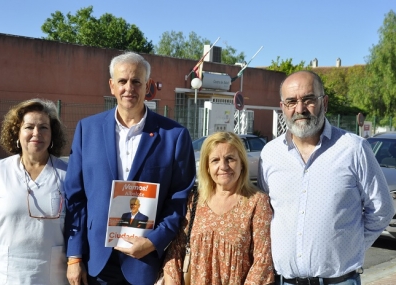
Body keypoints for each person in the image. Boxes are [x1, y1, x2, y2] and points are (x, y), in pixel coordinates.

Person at [64, 51, 196, 285]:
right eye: (122, 81)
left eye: (137, 81)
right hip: (97, 261)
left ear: (148, 86)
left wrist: (154, 240)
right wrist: (74, 257)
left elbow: (179, 199)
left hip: (145, 261)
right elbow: (76, 197)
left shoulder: (174, 136)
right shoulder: (87, 130)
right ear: (112, 86)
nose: (129, 88)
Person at [258, 70, 395, 285]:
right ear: (282, 107)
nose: (300, 109)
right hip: (283, 281)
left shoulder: (353, 148)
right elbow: (268, 212)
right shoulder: (269, 154)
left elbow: (382, 210)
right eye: (291, 101)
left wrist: (350, 247)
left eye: (309, 99)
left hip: (339, 281)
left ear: (325, 102)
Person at [0, 98, 69, 284]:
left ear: (52, 134)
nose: (36, 133)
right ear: (17, 133)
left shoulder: (66, 174)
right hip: (5, 273)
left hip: (51, 273)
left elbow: (76, 224)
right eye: (29, 127)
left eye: (43, 127)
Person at [163, 132, 274, 285]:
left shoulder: (256, 202)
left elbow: (262, 261)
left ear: (241, 163)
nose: (223, 166)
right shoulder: (193, 201)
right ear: (207, 167)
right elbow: (175, 253)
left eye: (230, 159)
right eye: (215, 160)